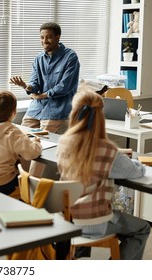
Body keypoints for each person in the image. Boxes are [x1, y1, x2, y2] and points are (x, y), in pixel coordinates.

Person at [56, 85, 150, 260]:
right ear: (101, 117)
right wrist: (132, 160)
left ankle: (79, 257)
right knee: (142, 228)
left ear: (74, 113)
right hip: (96, 221)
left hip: (68, 217)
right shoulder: (106, 150)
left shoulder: (64, 143)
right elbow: (135, 171)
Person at [10, 22, 80, 134]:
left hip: (57, 110)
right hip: (36, 108)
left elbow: (64, 86)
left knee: (43, 142)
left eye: (49, 37)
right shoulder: (39, 58)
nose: (44, 41)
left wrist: (41, 96)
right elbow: (34, 83)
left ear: (58, 37)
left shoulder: (70, 57)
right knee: (20, 136)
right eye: (42, 37)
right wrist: (25, 86)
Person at [0, 90, 42, 196]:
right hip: (2, 182)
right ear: (14, 112)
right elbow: (31, 154)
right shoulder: (13, 132)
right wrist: (36, 142)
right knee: (26, 176)